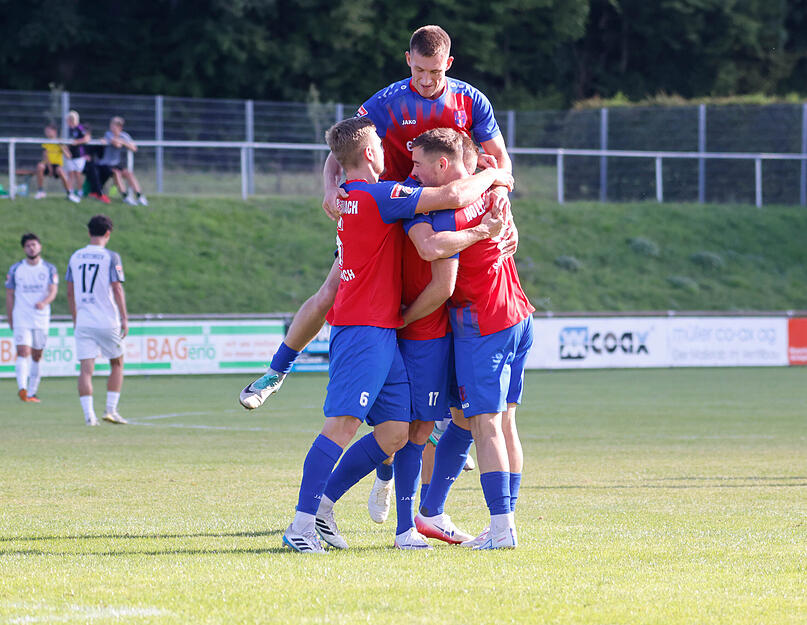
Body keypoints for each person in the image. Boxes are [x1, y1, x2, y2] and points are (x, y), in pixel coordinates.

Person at [240, 24, 514, 409]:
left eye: (435, 72)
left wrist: (502, 202)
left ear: (449, 64)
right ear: (408, 61)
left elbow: (500, 160)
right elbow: (342, 149)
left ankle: (440, 419)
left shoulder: (472, 101)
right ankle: (276, 371)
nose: (426, 79)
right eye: (419, 70)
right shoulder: (387, 102)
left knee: (447, 297)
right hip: (387, 211)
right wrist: (329, 187)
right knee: (331, 291)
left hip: (447, 212)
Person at [281, 116, 512, 553]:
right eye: (383, 150)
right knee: (343, 424)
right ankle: (301, 525)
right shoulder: (379, 194)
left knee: (394, 432)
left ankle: (331, 508)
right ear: (370, 154)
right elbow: (450, 194)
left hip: (382, 329)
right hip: (363, 328)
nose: (393, 158)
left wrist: (330, 184)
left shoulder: (351, 196)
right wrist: (497, 175)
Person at [406, 129, 535, 550]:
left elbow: (436, 261)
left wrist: (402, 320)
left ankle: (501, 528)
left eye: (419, 164)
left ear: (443, 165)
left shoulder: (447, 209)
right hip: (517, 315)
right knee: (485, 420)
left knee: (485, 424)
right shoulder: (493, 188)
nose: (412, 172)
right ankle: (440, 513)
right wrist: (499, 184)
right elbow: (499, 173)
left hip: (483, 326)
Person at [65, 215, 129, 426]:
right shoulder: (111, 257)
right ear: (108, 233)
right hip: (106, 320)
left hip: (83, 320)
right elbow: (117, 288)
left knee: (86, 369)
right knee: (117, 363)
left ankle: (89, 417)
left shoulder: (75, 256)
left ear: (89, 231)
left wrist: (76, 318)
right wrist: (124, 317)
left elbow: (70, 291)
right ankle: (110, 409)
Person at [4, 233, 59, 402]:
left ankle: (32, 392)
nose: (31, 248)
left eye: (34, 245)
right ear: (24, 249)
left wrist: (44, 302)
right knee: (23, 352)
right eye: (28, 245)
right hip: (22, 316)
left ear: (40, 247)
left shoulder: (49, 269)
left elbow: (53, 291)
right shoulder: (16, 269)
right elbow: (10, 294)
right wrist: (11, 317)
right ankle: (22, 388)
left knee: (36, 355)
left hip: (41, 317)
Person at [97, 117, 148, 206]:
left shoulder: (124, 136)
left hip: (116, 163)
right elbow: (117, 144)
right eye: (111, 125)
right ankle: (125, 197)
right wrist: (122, 142)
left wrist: (123, 142)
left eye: (114, 126)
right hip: (106, 164)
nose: (112, 127)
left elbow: (134, 148)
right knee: (116, 173)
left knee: (129, 174)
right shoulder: (108, 134)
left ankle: (140, 196)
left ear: (120, 127)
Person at [33, 124, 80, 202]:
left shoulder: (60, 142)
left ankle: (70, 194)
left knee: (61, 171)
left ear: (54, 132)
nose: (47, 133)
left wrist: (61, 147)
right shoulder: (46, 142)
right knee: (40, 166)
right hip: (47, 164)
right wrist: (50, 168)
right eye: (46, 131)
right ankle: (41, 191)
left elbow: (68, 156)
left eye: (48, 131)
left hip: (57, 165)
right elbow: (45, 155)